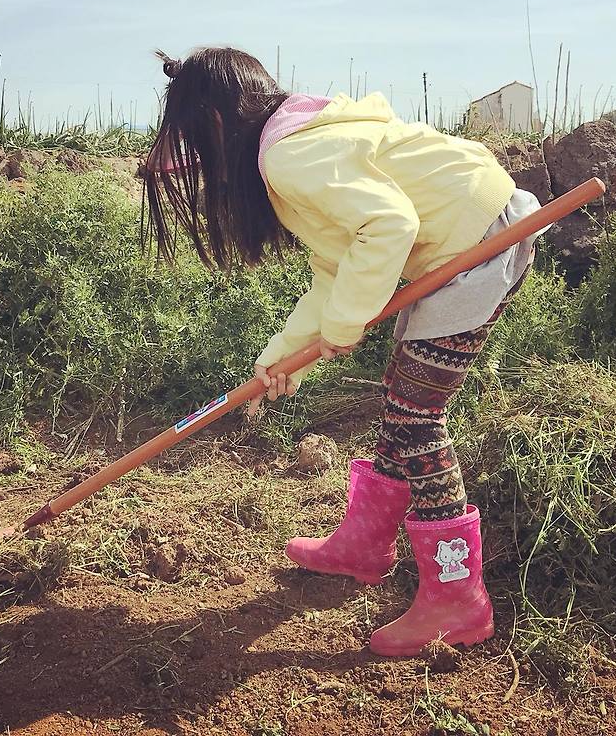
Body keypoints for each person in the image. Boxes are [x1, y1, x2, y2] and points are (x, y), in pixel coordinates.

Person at [142, 46, 542, 657]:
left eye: (199, 147)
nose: (208, 170)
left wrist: (346, 325)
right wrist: (283, 354)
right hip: (470, 231)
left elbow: (387, 226)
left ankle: (457, 597)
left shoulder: (290, 155)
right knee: (404, 399)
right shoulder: (295, 142)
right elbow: (335, 267)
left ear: (219, 126)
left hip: (479, 240)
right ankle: (364, 543)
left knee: (416, 415)